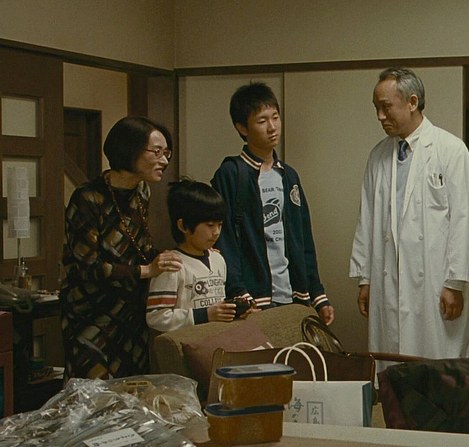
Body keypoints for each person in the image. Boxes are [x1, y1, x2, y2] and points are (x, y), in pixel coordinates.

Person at [350, 67, 469, 361]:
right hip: (388, 279)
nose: (380, 116)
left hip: (434, 280)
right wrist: (365, 279)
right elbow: (366, 219)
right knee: (392, 363)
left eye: (386, 107)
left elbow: (463, 220)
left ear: (412, 102)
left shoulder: (450, 150)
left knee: (437, 364)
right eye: (376, 108)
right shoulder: (378, 156)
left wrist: (455, 283)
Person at [61, 116, 183, 379]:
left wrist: (182, 255)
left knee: (132, 388)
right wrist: (146, 271)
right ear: (128, 150)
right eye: (156, 152)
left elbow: (140, 247)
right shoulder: (88, 197)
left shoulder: (142, 191)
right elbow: (88, 267)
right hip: (92, 312)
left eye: (167, 153)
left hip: (131, 310)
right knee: (93, 391)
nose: (164, 161)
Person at [211, 82, 334, 324]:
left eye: (275, 117)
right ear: (242, 127)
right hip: (253, 298)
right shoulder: (231, 173)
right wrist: (239, 292)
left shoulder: (288, 175)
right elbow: (224, 239)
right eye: (262, 121)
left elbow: (303, 237)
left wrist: (317, 294)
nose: (272, 127)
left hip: (292, 294)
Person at [146, 179, 252, 333]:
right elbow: (156, 317)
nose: (216, 232)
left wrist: (235, 310)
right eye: (210, 225)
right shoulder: (171, 264)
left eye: (220, 225)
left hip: (217, 338)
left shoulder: (218, 259)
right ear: (183, 226)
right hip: (186, 342)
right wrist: (204, 315)